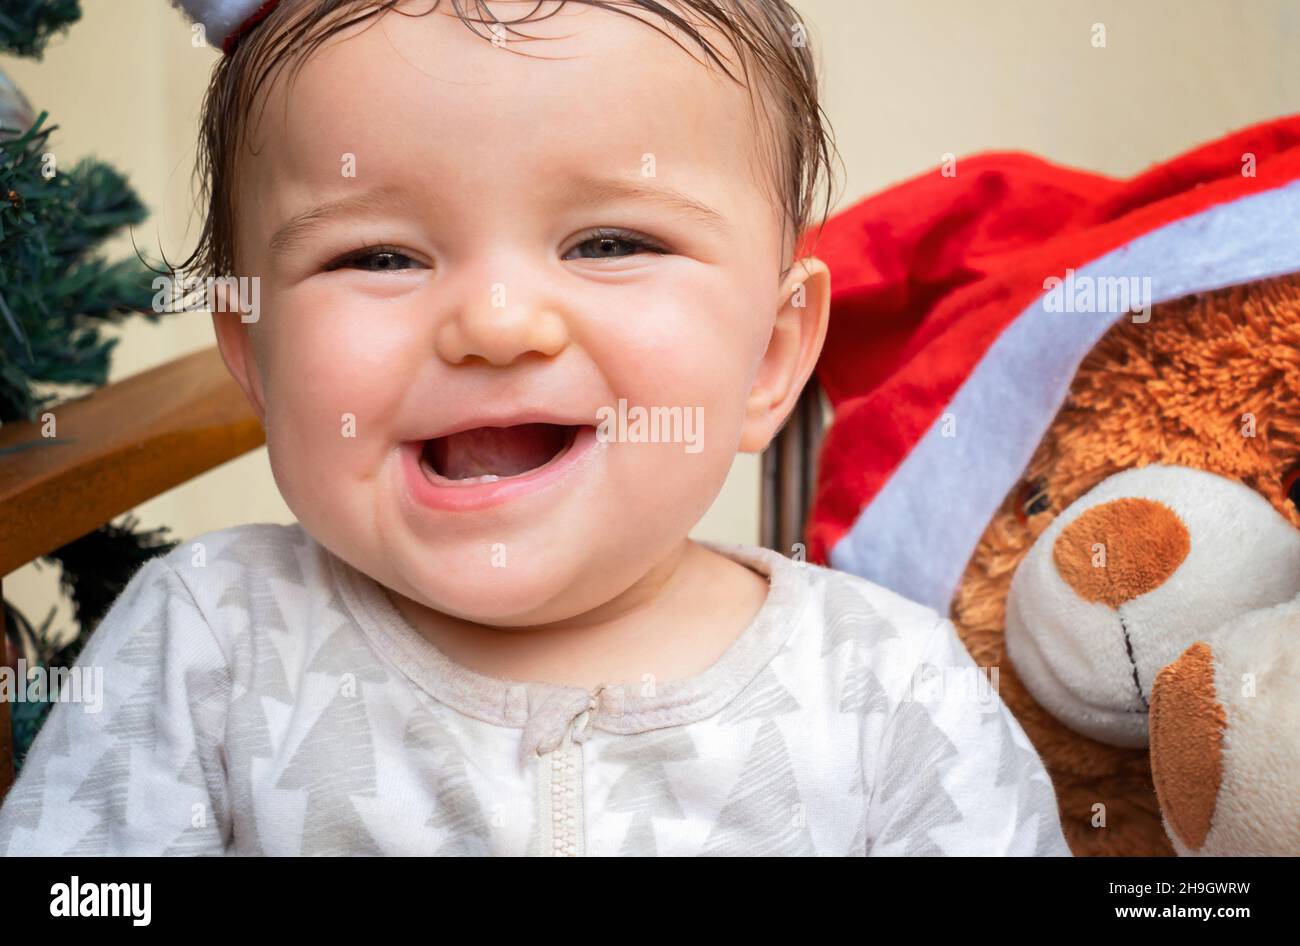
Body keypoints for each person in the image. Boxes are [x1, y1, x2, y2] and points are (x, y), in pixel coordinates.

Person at [0, 0, 1069, 856]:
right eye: (378, 257)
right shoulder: (208, 644)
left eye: (608, 242)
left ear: (773, 354)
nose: (496, 324)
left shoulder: (886, 693)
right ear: (255, 351)